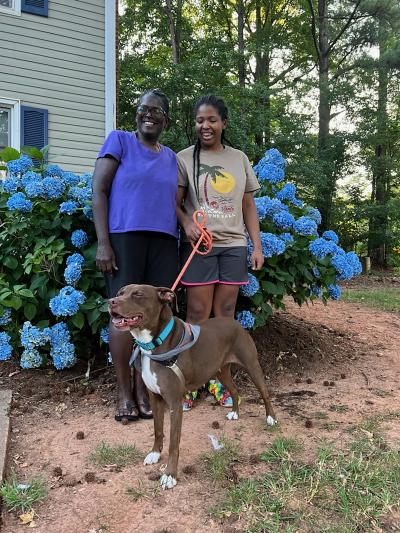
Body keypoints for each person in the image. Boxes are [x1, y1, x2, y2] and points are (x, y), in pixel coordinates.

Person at [92, 89, 179, 422]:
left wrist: (187, 225)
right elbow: (99, 189)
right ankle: (124, 392)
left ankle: (146, 387)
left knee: (154, 316)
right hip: (124, 236)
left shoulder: (170, 157)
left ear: (166, 121)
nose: (150, 115)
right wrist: (104, 241)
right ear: (137, 114)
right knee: (122, 313)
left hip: (163, 241)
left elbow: (174, 202)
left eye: (157, 111)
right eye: (145, 109)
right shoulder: (120, 141)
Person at [176, 94, 264, 410]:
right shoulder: (184, 158)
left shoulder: (239, 158)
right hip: (199, 246)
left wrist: (256, 245)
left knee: (224, 320)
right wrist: (186, 222)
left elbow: (248, 204)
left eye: (212, 119)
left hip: (233, 247)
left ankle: (217, 381)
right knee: (197, 317)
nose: (205, 125)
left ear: (223, 123)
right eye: (200, 120)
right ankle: (188, 381)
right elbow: (174, 201)